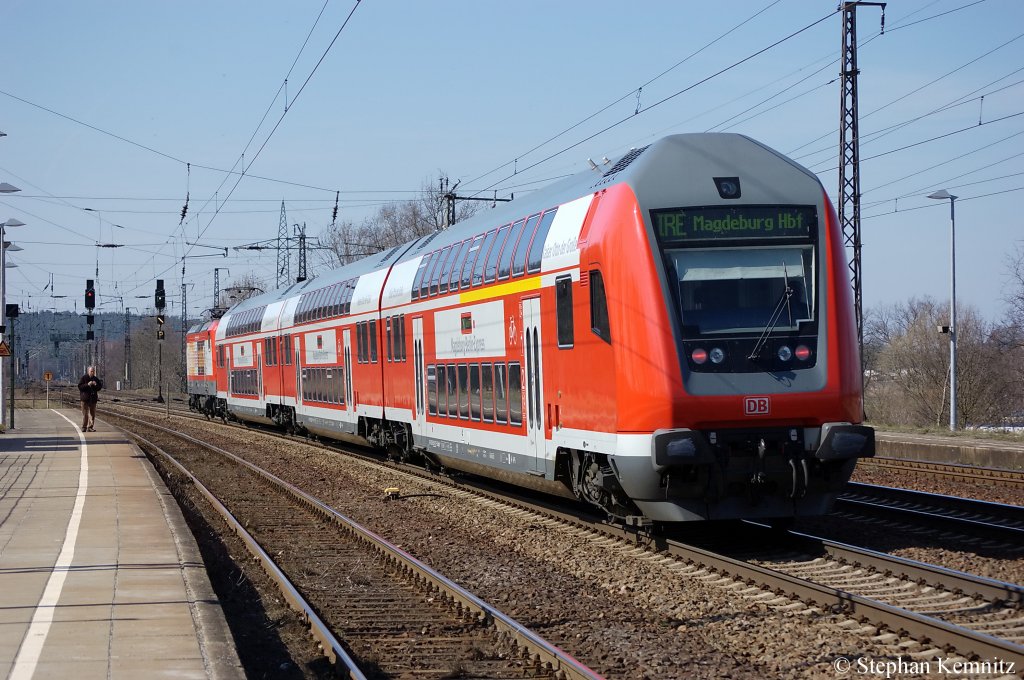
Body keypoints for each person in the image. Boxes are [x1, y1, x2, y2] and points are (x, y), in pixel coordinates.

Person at [78, 366, 103, 432]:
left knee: (92, 414)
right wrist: (87, 384)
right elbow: (80, 387)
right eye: (91, 371)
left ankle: (90, 427)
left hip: (93, 399)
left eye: (93, 371)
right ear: (88, 371)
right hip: (85, 399)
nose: (92, 372)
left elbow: (99, 387)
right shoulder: (84, 378)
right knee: (85, 414)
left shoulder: (96, 379)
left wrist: (95, 385)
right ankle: (84, 427)